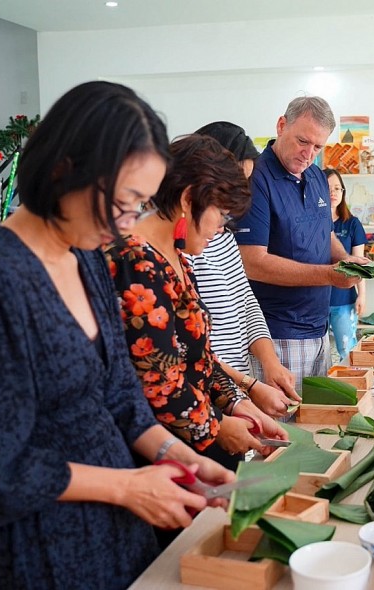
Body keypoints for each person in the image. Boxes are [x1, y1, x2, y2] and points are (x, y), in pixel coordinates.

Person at [0, 80, 233, 589]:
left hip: (118, 530)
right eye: (122, 203)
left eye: (138, 207)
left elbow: (121, 396)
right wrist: (125, 487)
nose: (125, 226)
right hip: (38, 546)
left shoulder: (88, 258)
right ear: (63, 169)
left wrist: (180, 457)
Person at [105, 134, 288, 473]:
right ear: (189, 199)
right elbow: (158, 381)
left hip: (197, 437)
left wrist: (236, 403)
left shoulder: (177, 257)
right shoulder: (135, 262)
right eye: (220, 214)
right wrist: (216, 426)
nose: (221, 229)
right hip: (163, 457)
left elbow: (198, 356)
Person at [235, 96, 368, 390]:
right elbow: (252, 263)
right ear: (281, 125)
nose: (309, 154)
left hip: (319, 329)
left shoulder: (317, 176)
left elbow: (326, 234)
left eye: (318, 147)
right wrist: (329, 275)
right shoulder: (256, 178)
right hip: (277, 333)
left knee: (315, 426)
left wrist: (345, 260)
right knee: (285, 431)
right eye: (302, 142)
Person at [190, 121, 301, 416]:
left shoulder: (225, 234)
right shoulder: (186, 244)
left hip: (236, 388)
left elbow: (246, 302)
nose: (239, 193)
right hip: (207, 393)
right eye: (235, 180)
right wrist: (249, 386)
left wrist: (270, 362)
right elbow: (191, 345)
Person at [325, 168, 367, 361]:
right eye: (327, 188)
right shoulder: (310, 223)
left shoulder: (352, 224)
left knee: (347, 350)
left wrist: (362, 295)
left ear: (343, 192)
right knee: (320, 354)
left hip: (344, 300)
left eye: (337, 188)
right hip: (316, 301)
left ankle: (351, 388)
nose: (333, 193)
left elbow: (359, 265)